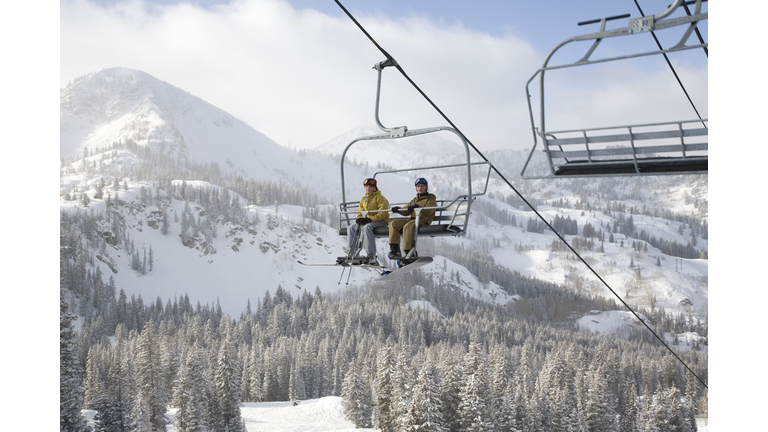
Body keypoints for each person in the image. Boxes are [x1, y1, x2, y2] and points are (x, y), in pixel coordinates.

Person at [339, 178, 390, 266]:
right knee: (351, 227)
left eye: (370, 186)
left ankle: (371, 255)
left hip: (380, 222)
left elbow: (383, 213)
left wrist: (370, 219)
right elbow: (361, 211)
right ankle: (352, 253)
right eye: (366, 186)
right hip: (368, 221)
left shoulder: (380, 198)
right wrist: (359, 218)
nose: (368, 188)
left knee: (367, 227)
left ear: (374, 187)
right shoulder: (364, 199)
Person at [387, 177, 437, 263]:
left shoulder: (431, 198)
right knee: (393, 223)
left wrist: (418, 208)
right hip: (412, 219)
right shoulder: (415, 199)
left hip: (423, 220)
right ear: (416, 188)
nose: (420, 188)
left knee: (408, 226)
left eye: (422, 186)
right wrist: (399, 210)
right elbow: (406, 211)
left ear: (426, 187)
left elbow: (429, 210)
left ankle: (408, 252)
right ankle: (395, 249)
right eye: (418, 186)